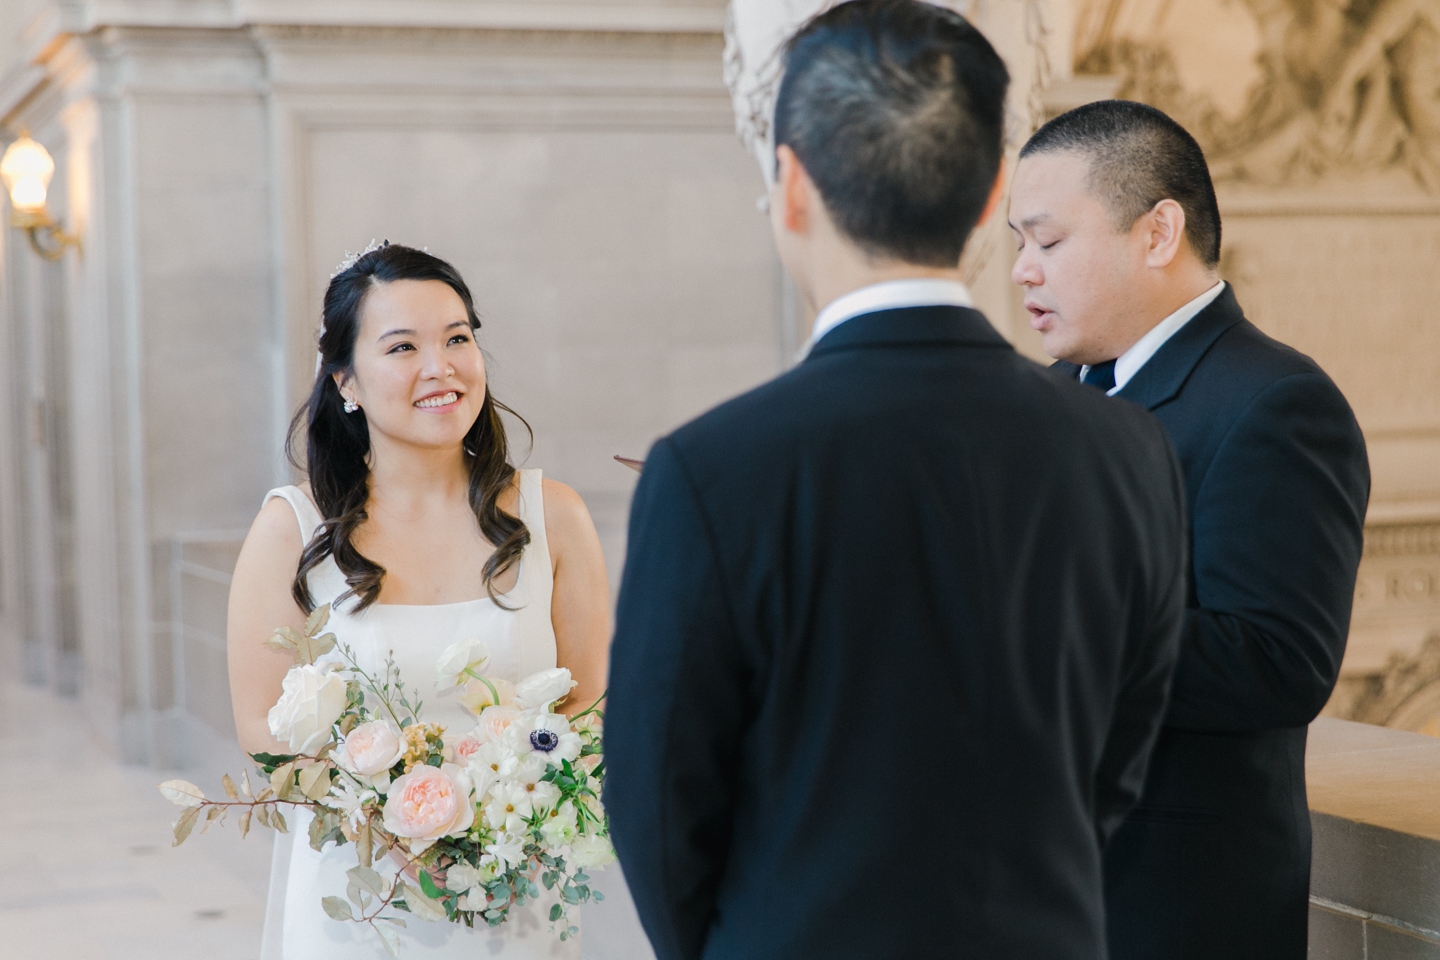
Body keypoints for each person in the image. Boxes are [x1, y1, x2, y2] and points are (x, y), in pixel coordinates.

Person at [603, 4, 1189, 959]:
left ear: (788, 183)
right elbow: (1115, 766)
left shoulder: (711, 470)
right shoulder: (1127, 450)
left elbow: (657, 797)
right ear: (996, 186)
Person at [1008, 100, 1370, 960]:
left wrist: (1029, 616)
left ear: (1158, 231)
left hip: (1169, 905)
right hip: (1023, 888)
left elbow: (1277, 663)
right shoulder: (1044, 397)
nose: (1023, 271)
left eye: (1048, 242)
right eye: (1017, 244)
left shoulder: (1275, 402)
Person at [225, 243, 612, 959]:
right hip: (361, 900)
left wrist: (511, 819)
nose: (441, 367)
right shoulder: (292, 529)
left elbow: (589, 707)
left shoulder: (552, 516)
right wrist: (395, 823)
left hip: (518, 892)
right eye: (402, 346)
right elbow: (262, 728)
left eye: (458, 338)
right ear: (347, 380)